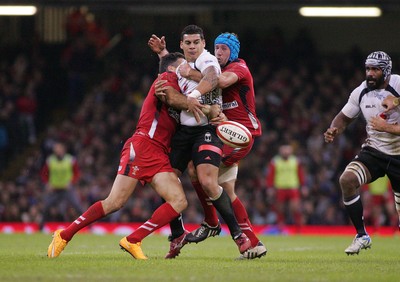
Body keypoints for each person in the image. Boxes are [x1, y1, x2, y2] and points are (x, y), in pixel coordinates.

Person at [47, 52, 200, 260]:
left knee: (179, 201)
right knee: (114, 203)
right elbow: (171, 94)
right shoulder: (165, 79)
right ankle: (64, 235)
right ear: (173, 69)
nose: (187, 71)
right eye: (183, 66)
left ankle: (133, 239)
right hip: (143, 145)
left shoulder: (181, 89)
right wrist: (200, 106)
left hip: (159, 154)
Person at [149, 31, 264, 259]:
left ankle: (215, 224)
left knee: (202, 175)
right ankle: (251, 242)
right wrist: (163, 54)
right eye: (217, 47)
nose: (219, 52)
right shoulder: (193, 62)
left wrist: (190, 82)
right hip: (214, 130)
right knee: (220, 188)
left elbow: (217, 80)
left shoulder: (233, 66)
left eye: (225, 49)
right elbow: (179, 67)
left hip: (236, 135)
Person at [324, 51, 400, 255]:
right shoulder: (360, 91)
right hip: (374, 151)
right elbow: (344, 116)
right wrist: (334, 129)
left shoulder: (399, 85)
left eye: (375, 69)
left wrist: (388, 128)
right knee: (347, 180)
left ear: (386, 71)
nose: (370, 73)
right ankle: (361, 235)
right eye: (368, 69)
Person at [40, 141, 83, 231]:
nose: (57, 150)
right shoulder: (50, 160)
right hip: (54, 189)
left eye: (59, 148)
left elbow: (77, 173)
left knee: (78, 206)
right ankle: (41, 227)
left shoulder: (70, 159)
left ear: (63, 149)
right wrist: (47, 184)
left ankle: (90, 227)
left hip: (67, 189)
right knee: (46, 207)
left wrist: (71, 182)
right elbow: (44, 174)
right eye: (56, 148)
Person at [265, 143, 305, 231]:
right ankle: (281, 228)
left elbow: (300, 174)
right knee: (280, 209)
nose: (286, 152)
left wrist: (303, 186)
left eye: (288, 150)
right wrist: (270, 187)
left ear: (291, 151)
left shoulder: (295, 161)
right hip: (280, 188)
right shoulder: (275, 161)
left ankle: (298, 228)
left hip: (293, 187)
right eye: (284, 150)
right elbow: (270, 175)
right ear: (280, 151)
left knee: (295, 208)